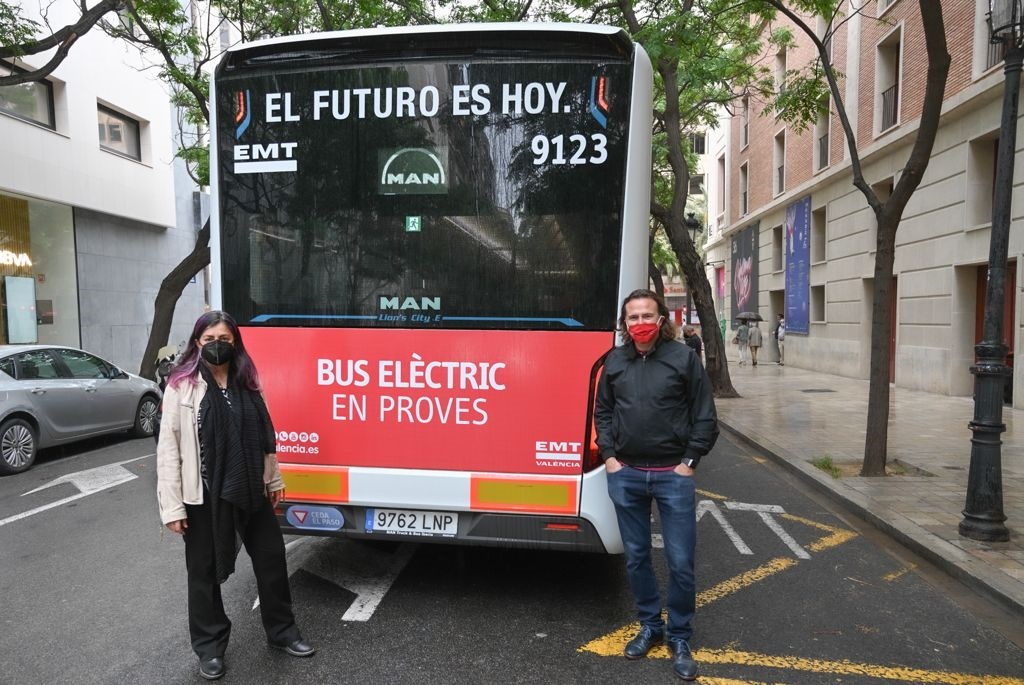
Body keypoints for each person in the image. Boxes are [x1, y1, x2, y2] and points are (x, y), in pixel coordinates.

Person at [157, 311, 314, 681]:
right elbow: (169, 450)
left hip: (250, 490)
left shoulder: (247, 382)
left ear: (235, 342)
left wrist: (273, 482)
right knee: (203, 574)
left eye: (224, 338)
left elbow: (265, 439)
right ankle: (209, 647)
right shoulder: (182, 386)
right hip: (204, 496)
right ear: (197, 342)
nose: (216, 344)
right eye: (209, 338)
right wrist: (172, 506)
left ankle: (282, 631)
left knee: (272, 560)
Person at [595, 289, 719, 681]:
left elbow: (704, 415)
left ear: (662, 319)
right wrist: (611, 458)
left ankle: (679, 635)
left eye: (648, 315)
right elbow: (602, 411)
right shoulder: (614, 362)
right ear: (624, 324)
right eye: (633, 317)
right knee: (635, 556)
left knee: (681, 563)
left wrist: (689, 461)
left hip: (673, 476)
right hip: (626, 474)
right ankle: (650, 625)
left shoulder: (683, 359)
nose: (640, 323)